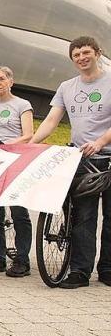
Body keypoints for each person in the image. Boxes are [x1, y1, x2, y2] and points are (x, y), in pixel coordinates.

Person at [32, 36, 111, 289]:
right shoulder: (67, 87)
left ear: (97, 53)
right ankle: (80, 271)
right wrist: (32, 143)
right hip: (81, 159)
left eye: (86, 52)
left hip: (107, 155)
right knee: (83, 216)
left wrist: (99, 142)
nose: (81, 58)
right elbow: (52, 120)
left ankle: (108, 269)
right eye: (76, 55)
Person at [0, 66, 33, 277]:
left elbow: (28, 134)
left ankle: (22, 259)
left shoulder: (23, 105)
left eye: (2, 79)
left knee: (19, 211)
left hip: (17, 160)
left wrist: (8, 144)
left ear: (11, 81)